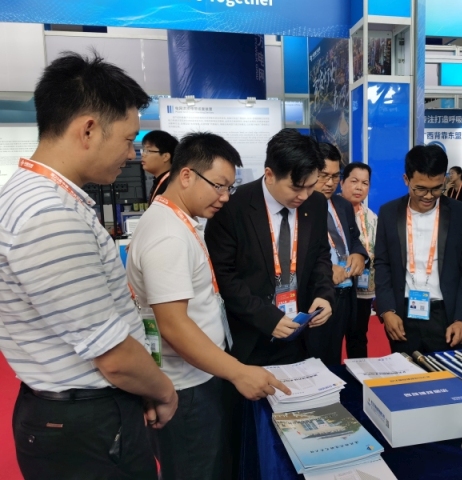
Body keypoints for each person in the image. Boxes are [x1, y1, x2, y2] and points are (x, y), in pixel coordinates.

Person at [0, 51, 178, 480]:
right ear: (88, 130)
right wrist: (164, 390)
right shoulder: (49, 215)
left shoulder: (33, 197)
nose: (132, 154)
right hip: (85, 422)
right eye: (128, 140)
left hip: (78, 413)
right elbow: (112, 355)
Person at [126, 132, 290, 480]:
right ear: (186, 175)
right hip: (186, 387)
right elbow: (174, 325)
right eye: (218, 186)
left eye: (229, 187)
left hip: (199, 376)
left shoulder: (180, 221)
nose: (225, 197)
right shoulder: (167, 234)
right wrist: (239, 372)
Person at [206, 128, 334, 367]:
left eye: (310, 186)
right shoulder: (233, 206)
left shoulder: (316, 203)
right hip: (252, 335)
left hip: (301, 332)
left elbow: (320, 255)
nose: (304, 195)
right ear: (270, 174)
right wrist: (267, 318)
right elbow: (224, 275)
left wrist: (324, 295)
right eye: (296, 187)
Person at [374, 145, 462, 356]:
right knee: (407, 374)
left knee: (451, 375)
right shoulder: (389, 213)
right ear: (406, 180)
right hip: (402, 316)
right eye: (420, 189)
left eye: (436, 188)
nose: (428, 196)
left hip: (447, 317)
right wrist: (387, 310)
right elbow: (383, 264)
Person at [308, 144, 367, 365]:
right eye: (324, 176)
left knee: (335, 356)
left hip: (346, 294)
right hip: (317, 296)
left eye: (335, 176)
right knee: (315, 359)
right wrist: (324, 270)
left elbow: (354, 239)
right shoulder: (301, 206)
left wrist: (359, 254)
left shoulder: (342, 204)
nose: (330, 183)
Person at [340, 161, 378, 359]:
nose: (359, 187)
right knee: (331, 340)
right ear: (342, 183)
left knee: (358, 338)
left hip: (363, 292)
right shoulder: (330, 213)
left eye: (365, 183)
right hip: (337, 289)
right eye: (354, 181)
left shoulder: (372, 218)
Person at [140, 130, 179, 203]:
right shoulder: (161, 181)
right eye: (143, 150)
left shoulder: (172, 185)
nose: (143, 154)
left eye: (148, 151)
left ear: (165, 157)